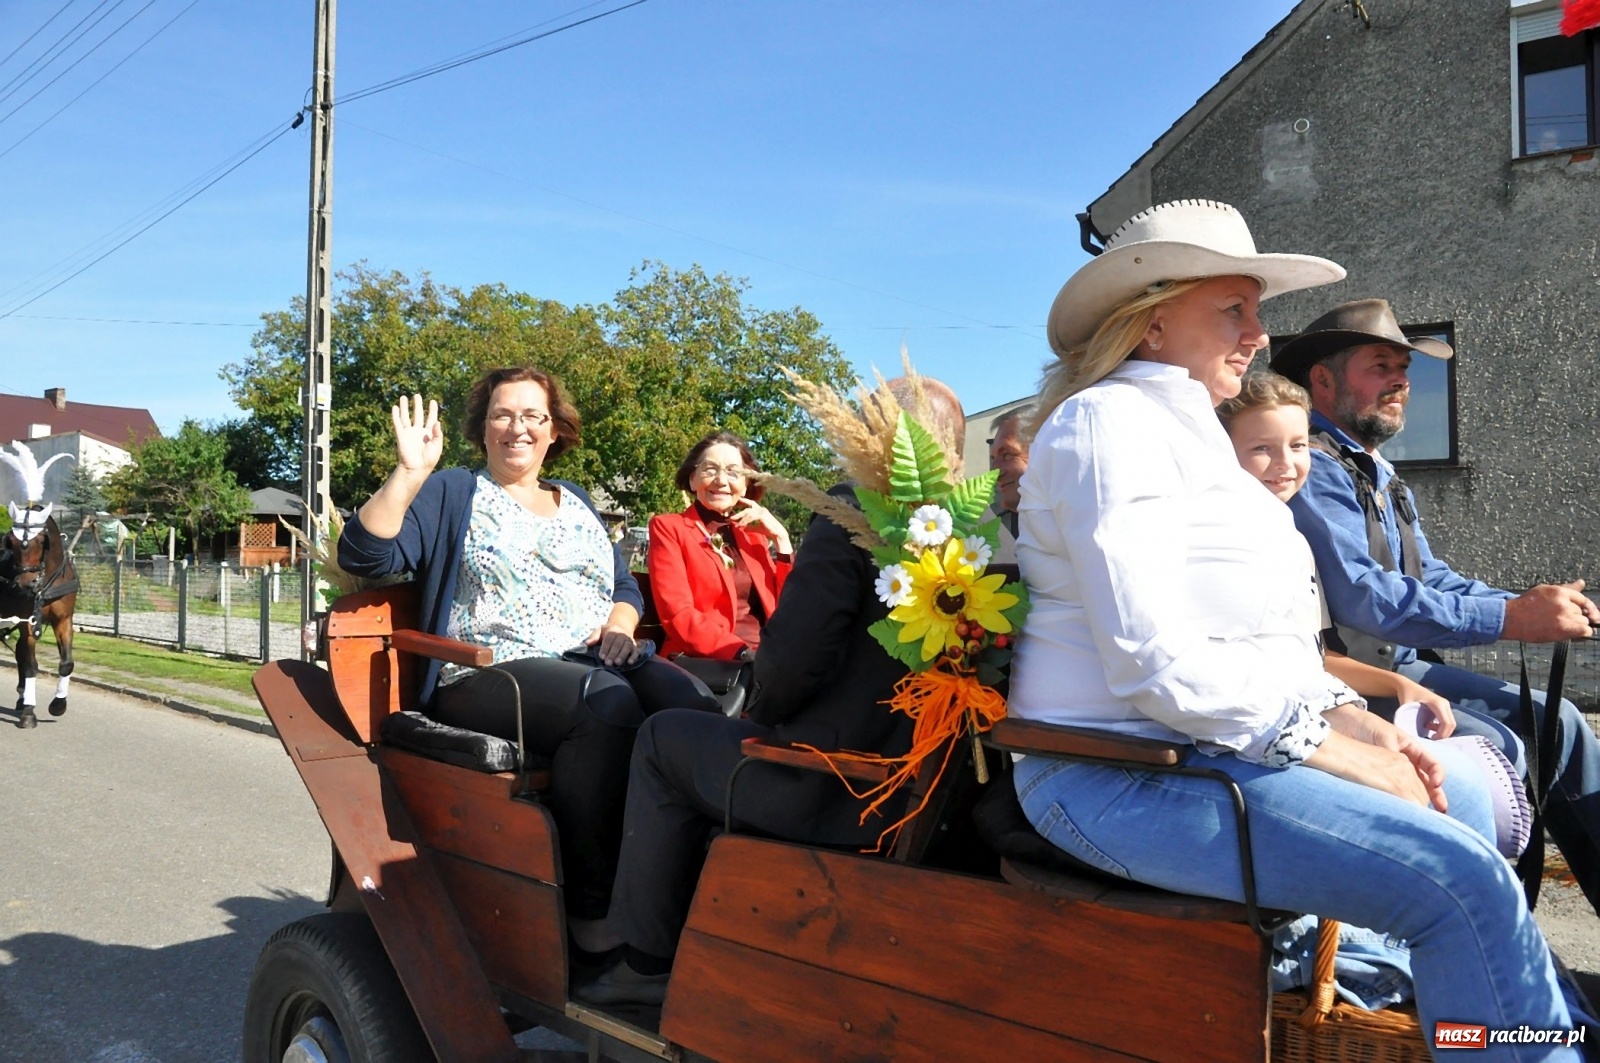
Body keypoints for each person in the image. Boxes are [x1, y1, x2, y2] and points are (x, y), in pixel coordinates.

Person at [1009, 199, 1583, 1047]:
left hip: (1203, 750)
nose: (1259, 333)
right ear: (1152, 321)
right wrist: (1337, 750)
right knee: (1459, 882)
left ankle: (1501, 1021)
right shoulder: (1108, 424)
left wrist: (1354, 719)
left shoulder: (1195, 437)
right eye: (1233, 309)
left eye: (1257, 309)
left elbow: (1262, 642)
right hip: (1116, 774)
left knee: (1473, 794)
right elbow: (1154, 661)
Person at [574, 375, 967, 1007]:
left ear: (876, 434)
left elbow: (789, 663)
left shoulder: (853, 510)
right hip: (919, 785)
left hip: (828, 782)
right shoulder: (970, 527)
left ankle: (645, 962)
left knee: (660, 739)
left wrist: (761, 706)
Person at [1271, 299, 1600, 916]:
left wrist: (1529, 604)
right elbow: (1366, 597)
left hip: (1399, 664)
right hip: (1342, 677)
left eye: (1404, 369)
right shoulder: (1310, 465)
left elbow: (1429, 575)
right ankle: (1488, 922)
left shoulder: (1378, 472)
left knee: (1559, 723)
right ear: (1323, 380)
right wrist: (1511, 620)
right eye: (1380, 366)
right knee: (1506, 752)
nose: (1400, 381)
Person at [337, 366, 647, 963]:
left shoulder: (576, 500)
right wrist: (408, 474)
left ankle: (672, 903)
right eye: (502, 414)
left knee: (689, 710)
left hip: (593, 662)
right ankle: (587, 917)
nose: (517, 427)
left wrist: (620, 624)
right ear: (482, 429)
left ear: (554, 430)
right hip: (485, 673)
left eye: (533, 416)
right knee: (604, 709)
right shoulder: (455, 491)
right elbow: (366, 555)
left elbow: (624, 586)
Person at [647, 432, 792, 660]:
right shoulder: (669, 528)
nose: (721, 480)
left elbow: (788, 608)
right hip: (709, 662)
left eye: (733, 472)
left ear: (745, 484)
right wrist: (742, 653)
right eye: (710, 469)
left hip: (769, 658)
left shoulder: (753, 535)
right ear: (692, 479)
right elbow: (679, 615)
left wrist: (782, 540)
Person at [986, 407, 1031, 566]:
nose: (994, 472)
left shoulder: (1083, 528)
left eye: (1006, 455)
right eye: (993, 458)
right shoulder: (993, 525)